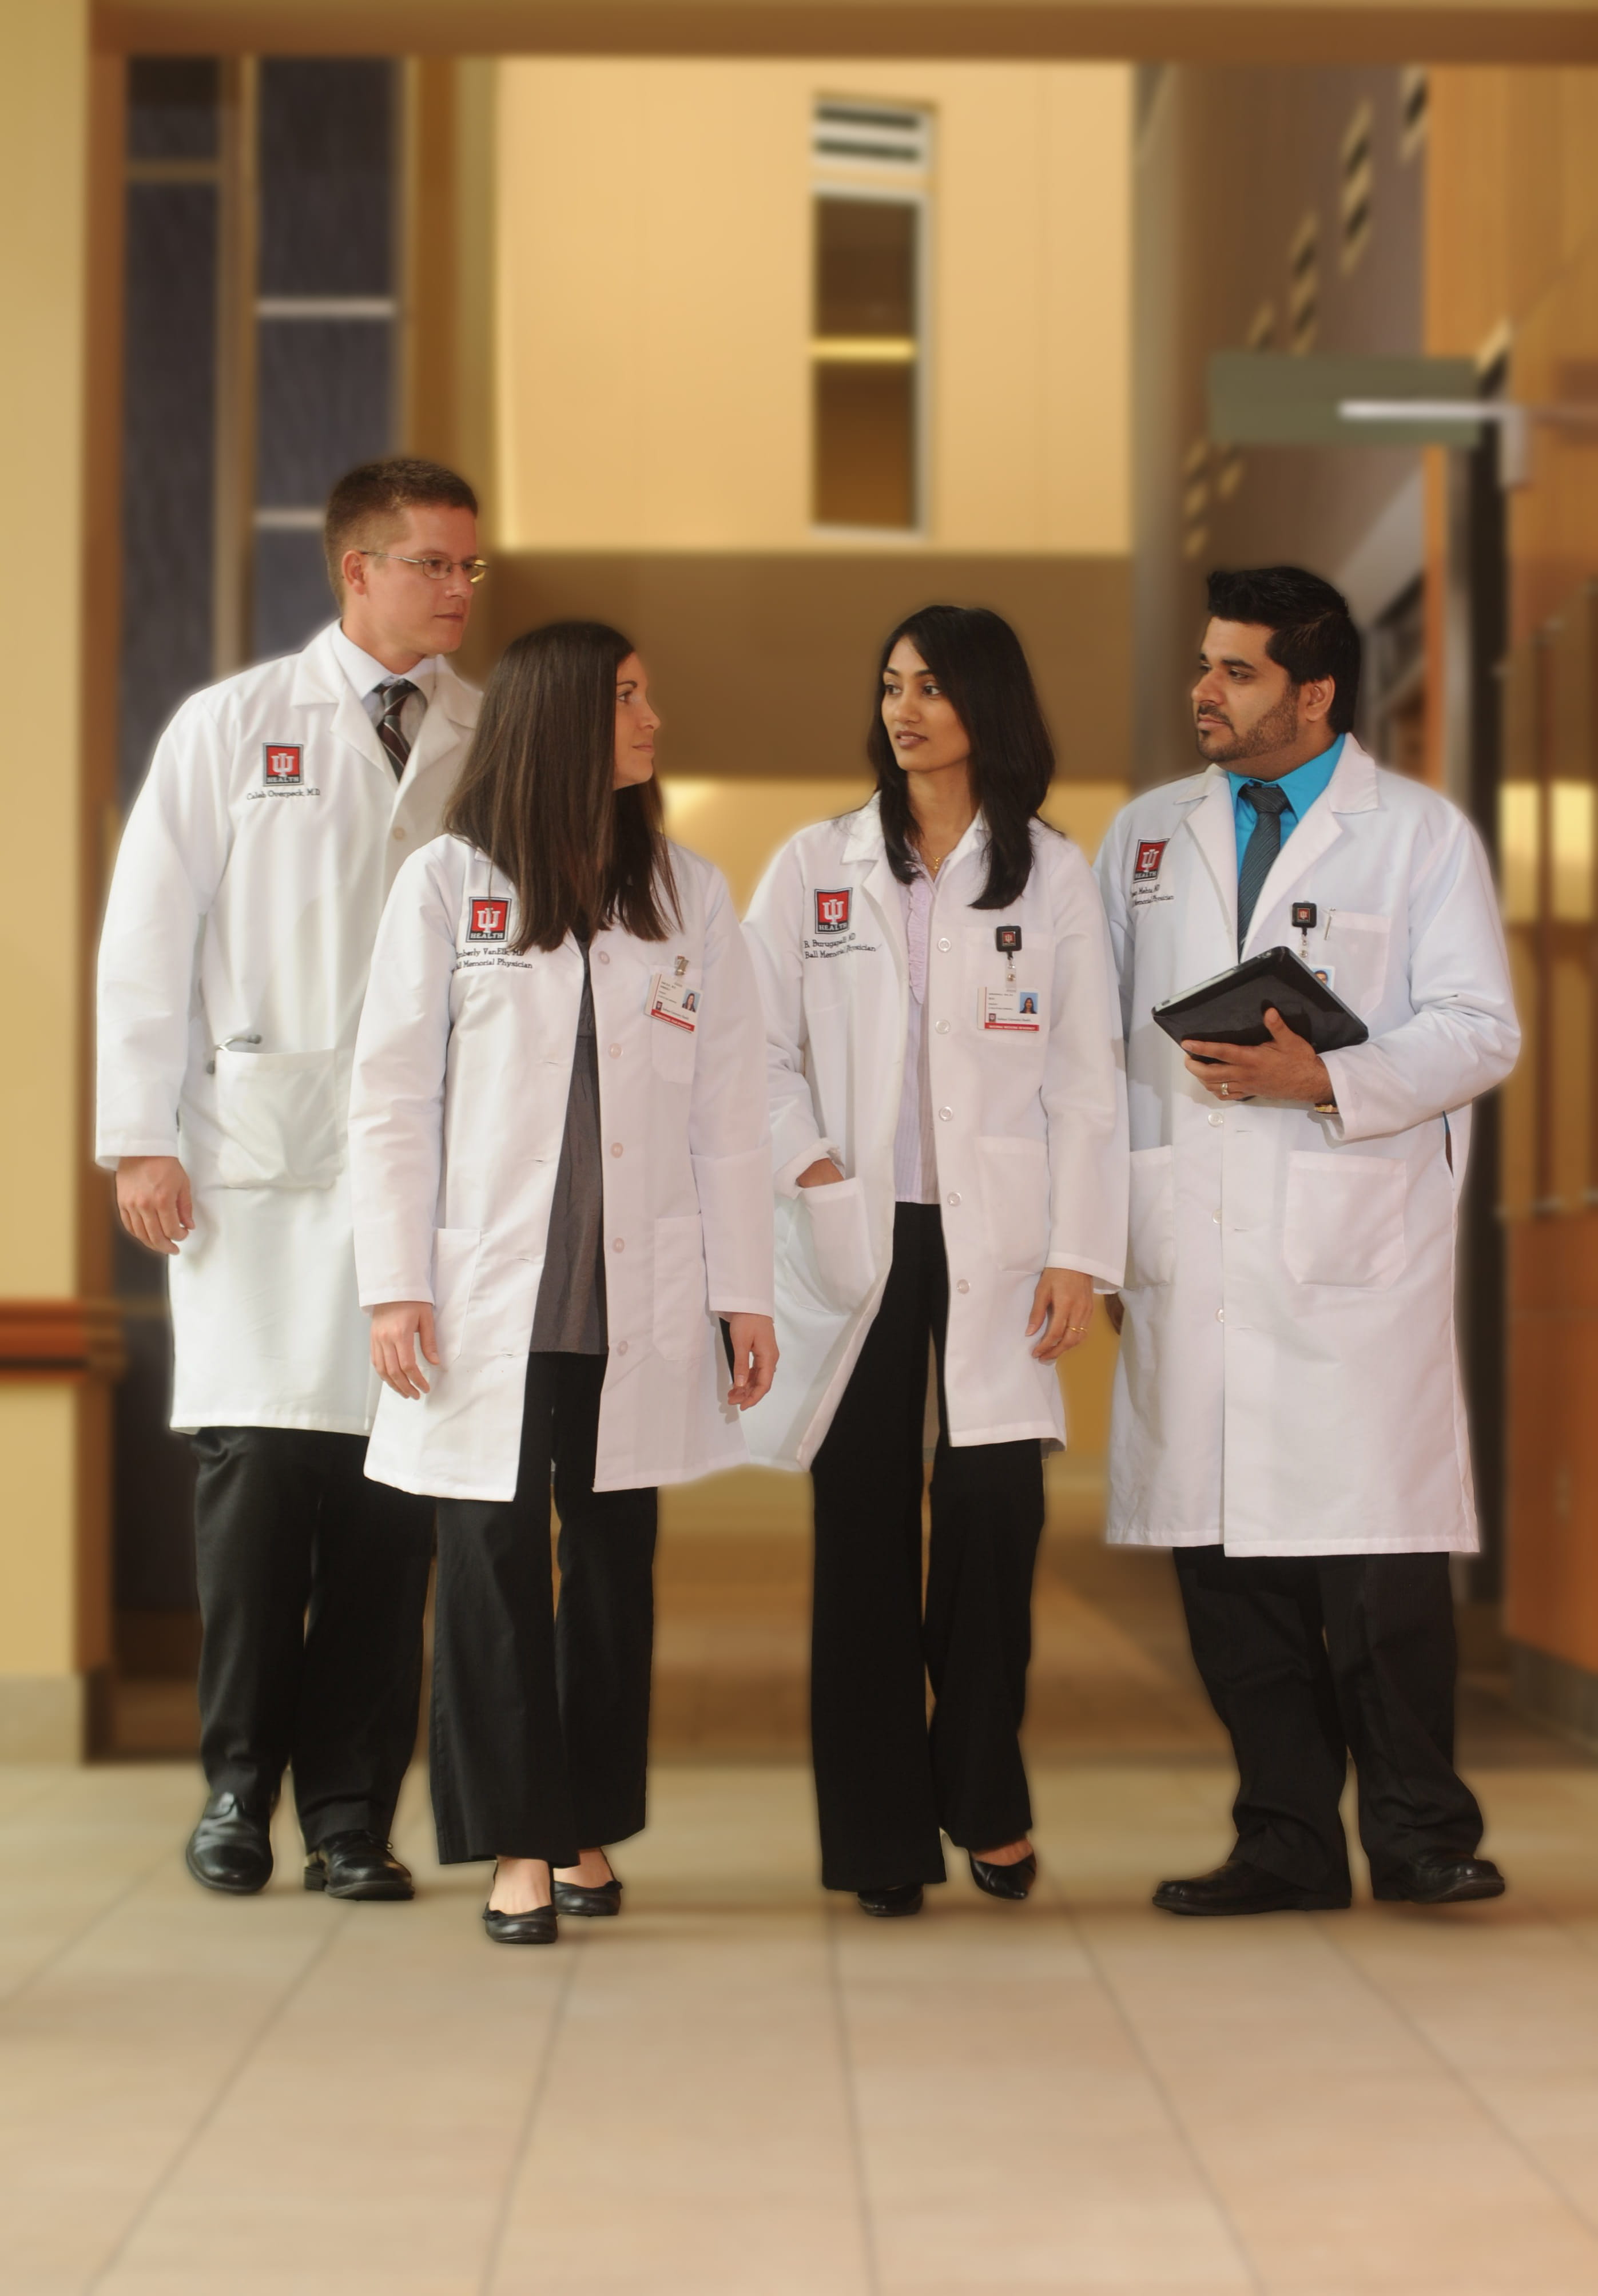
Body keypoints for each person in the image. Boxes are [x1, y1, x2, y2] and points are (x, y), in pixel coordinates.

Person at [1095, 565, 1521, 1916]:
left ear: (1314, 693)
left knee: (1377, 1564)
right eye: (1205, 665)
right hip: (1197, 1237)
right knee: (1225, 1568)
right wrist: (1102, 1229)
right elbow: (1090, 1046)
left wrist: (1324, 1081)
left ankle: (1417, 1834)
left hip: (1353, 1242)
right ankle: (1280, 1837)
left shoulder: (1414, 837)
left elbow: (1478, 1027)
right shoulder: (1146, 837)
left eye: (1235, 671)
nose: (1201, 692)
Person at [348, 622, 777, 1944]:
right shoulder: (447, 885)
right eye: (629, 700)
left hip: (632, 1297)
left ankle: (583, 1821)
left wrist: (744, 1289)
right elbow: (390, 1096)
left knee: (609, 1565)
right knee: (486, 1560)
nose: (652, 721)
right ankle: (513, 1848)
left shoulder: (685, 890)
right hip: (486, 1292)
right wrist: (391, 1282)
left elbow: (729, 1109)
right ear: (560, 719)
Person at [96, 457, 484, 1900]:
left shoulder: (488, 732)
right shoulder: (232, 726)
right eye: (434, 565)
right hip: (253, 1167)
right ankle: (233, 1786)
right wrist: (141, 1130)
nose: (458, 590)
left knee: (395, 1507)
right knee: (258, 1491)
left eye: (468, 570)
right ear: (356, 569)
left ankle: (345, 1815)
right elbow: (148, 933)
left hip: (421, 1172)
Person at [743, 605, 1127, 1917]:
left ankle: (984, 1797)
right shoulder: (814, 866)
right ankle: (877, 1840)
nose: (905, 709)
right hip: (857, 1233)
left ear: (986, 706)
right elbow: (754, 1047)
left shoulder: (1051, 876)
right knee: (856, 1534)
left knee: (990, 1522)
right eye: (891, 685)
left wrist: (1079, 1251)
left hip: (996, 1242)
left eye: (932, 688)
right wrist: (804, 1164)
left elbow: (1088, 1085)